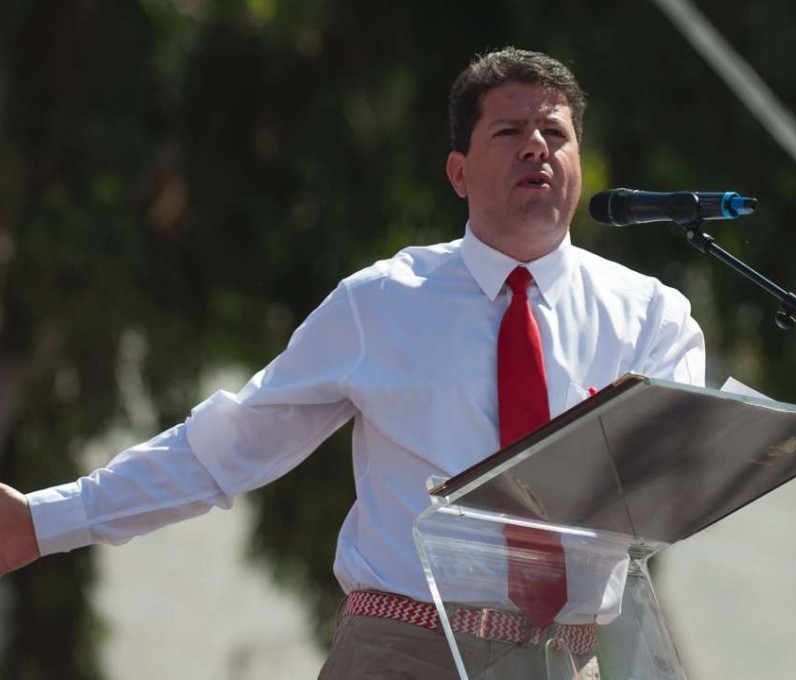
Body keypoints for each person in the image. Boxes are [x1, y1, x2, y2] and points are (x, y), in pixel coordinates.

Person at [0, 47, 705, 678]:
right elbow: (229, 446)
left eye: (556, 134)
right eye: (510, 133)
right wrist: (47, 520)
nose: (537, 150)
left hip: (564, 659)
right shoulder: (383, 302)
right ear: (458, 172)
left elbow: (680, 478)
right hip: (404, 648)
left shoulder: (651, 316)